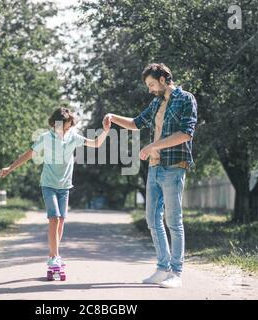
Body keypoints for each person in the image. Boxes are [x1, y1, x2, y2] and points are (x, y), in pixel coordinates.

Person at [103, 63, 197, 288]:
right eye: (148, 85)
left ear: (164, 79)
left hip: (174, 165)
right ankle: (163, 267)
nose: (150, 89)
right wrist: (113, 117)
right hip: (154, 168)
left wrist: (153, 146)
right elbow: (137, 123)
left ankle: (176, 273)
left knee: (174, 221)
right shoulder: (157, 102)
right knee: (152, 219)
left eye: (152, 84)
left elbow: (185, 133)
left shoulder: (186, 98)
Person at [0, 107, 110, 268]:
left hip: (65, 187)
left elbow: (96, 143)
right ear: (55, 124)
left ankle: (55, 254)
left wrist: (105, 131)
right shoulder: (45, 138)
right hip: (48, 185)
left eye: (69, 126)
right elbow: (28, 154)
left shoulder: (73, 137)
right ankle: (53, 256)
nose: (67, 129)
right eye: (65, 125)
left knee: (61, 220)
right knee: (54, 218)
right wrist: (10, 168)